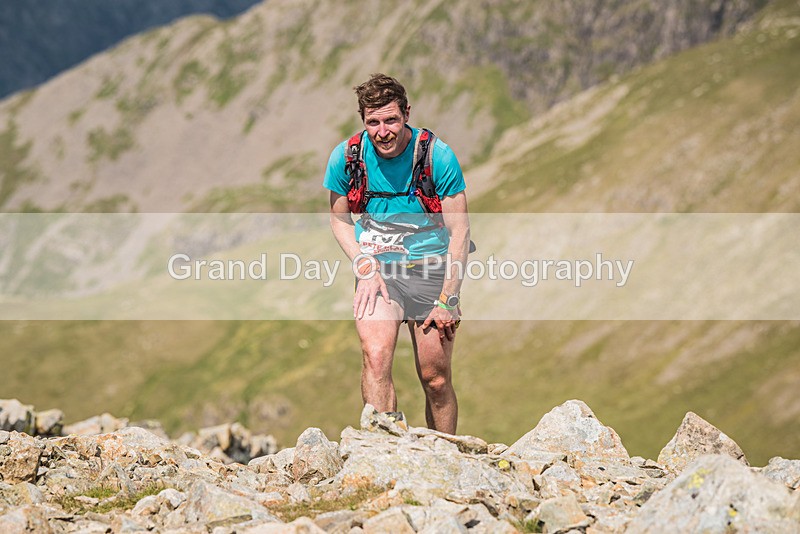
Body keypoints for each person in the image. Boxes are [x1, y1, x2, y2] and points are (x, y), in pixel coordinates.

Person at [324, 73, 470, 434]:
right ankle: (383, 451)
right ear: (363, 120)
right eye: (373, 122)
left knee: (435, 378)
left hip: (431, 270)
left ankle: (443, 454)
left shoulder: (437, 157)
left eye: (391, 120)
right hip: (378, 272)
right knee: (376, 357)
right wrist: (364, 265)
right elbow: (339, 220)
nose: (382, 132)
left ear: (406, 113)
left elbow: (460, 231)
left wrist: (449, 299)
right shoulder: (347, 157)